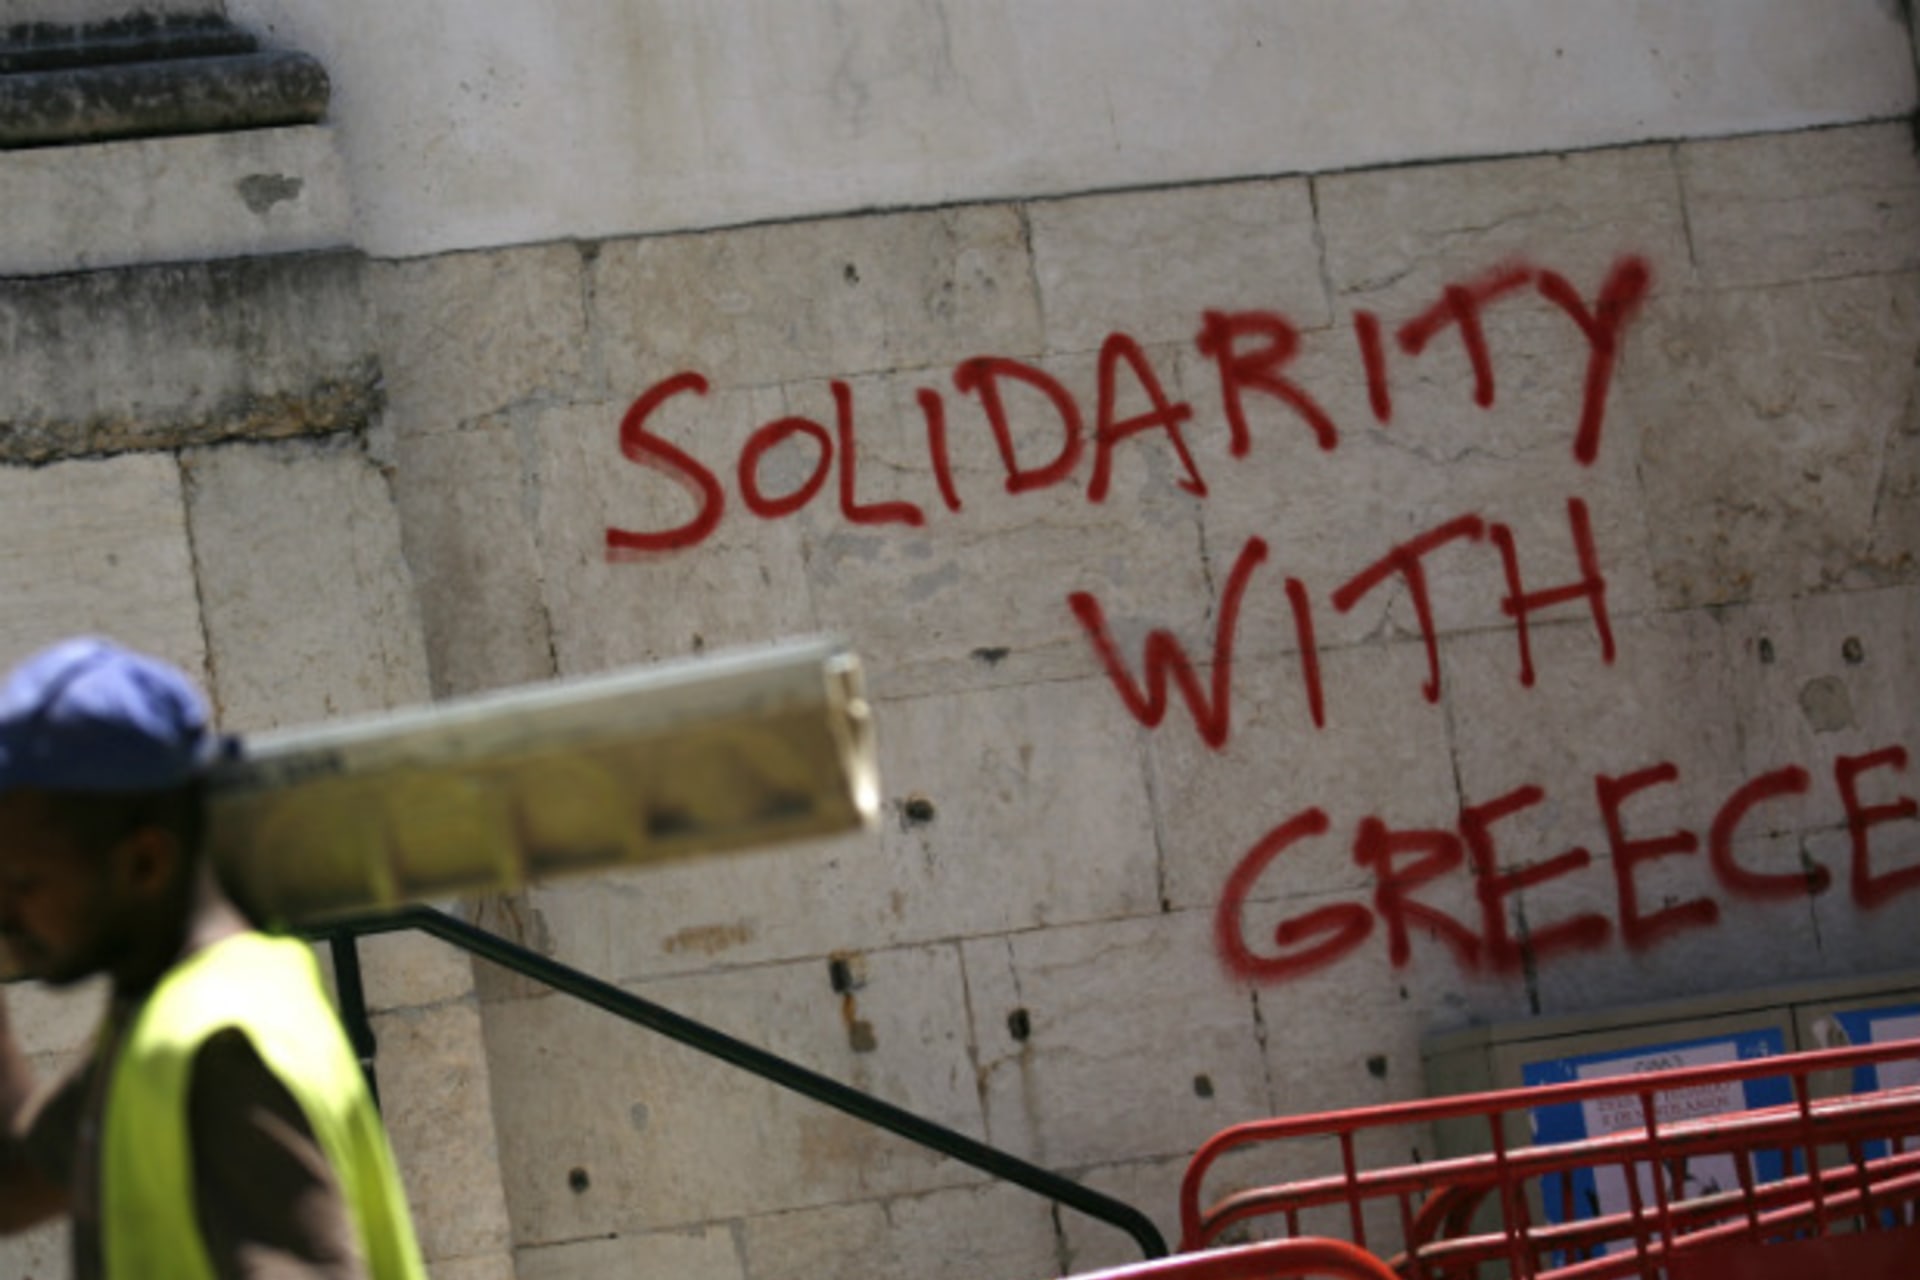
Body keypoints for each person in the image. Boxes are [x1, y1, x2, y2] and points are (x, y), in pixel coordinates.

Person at [0, 637, 427, 1279]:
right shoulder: (162, 1013)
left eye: (23, 883)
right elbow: (17, 1183)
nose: (5, 915)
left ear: (144, 863)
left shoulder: (217, 1044)